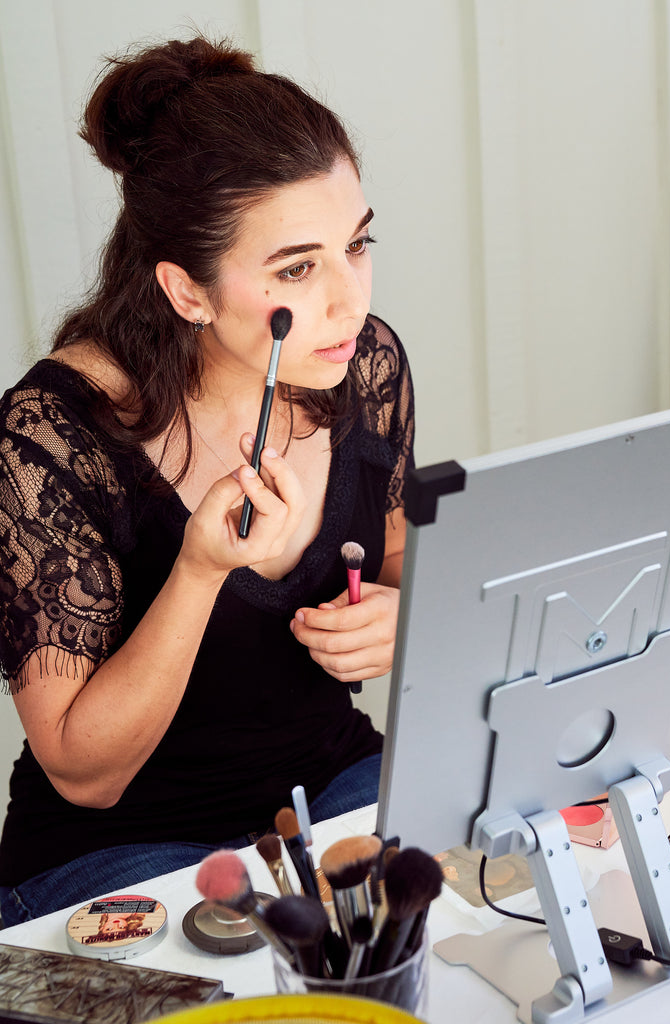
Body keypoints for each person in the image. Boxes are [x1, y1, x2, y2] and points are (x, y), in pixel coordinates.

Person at [0, 35, 413, 923]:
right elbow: (84, 770)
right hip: (129, 844)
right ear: (188, 292)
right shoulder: (51, 438)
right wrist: (197, 571)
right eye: (298, 268)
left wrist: (410, 620)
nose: (351, 300)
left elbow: (397, 565)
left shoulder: (363, 366)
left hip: (332, 788)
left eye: (357, 244)